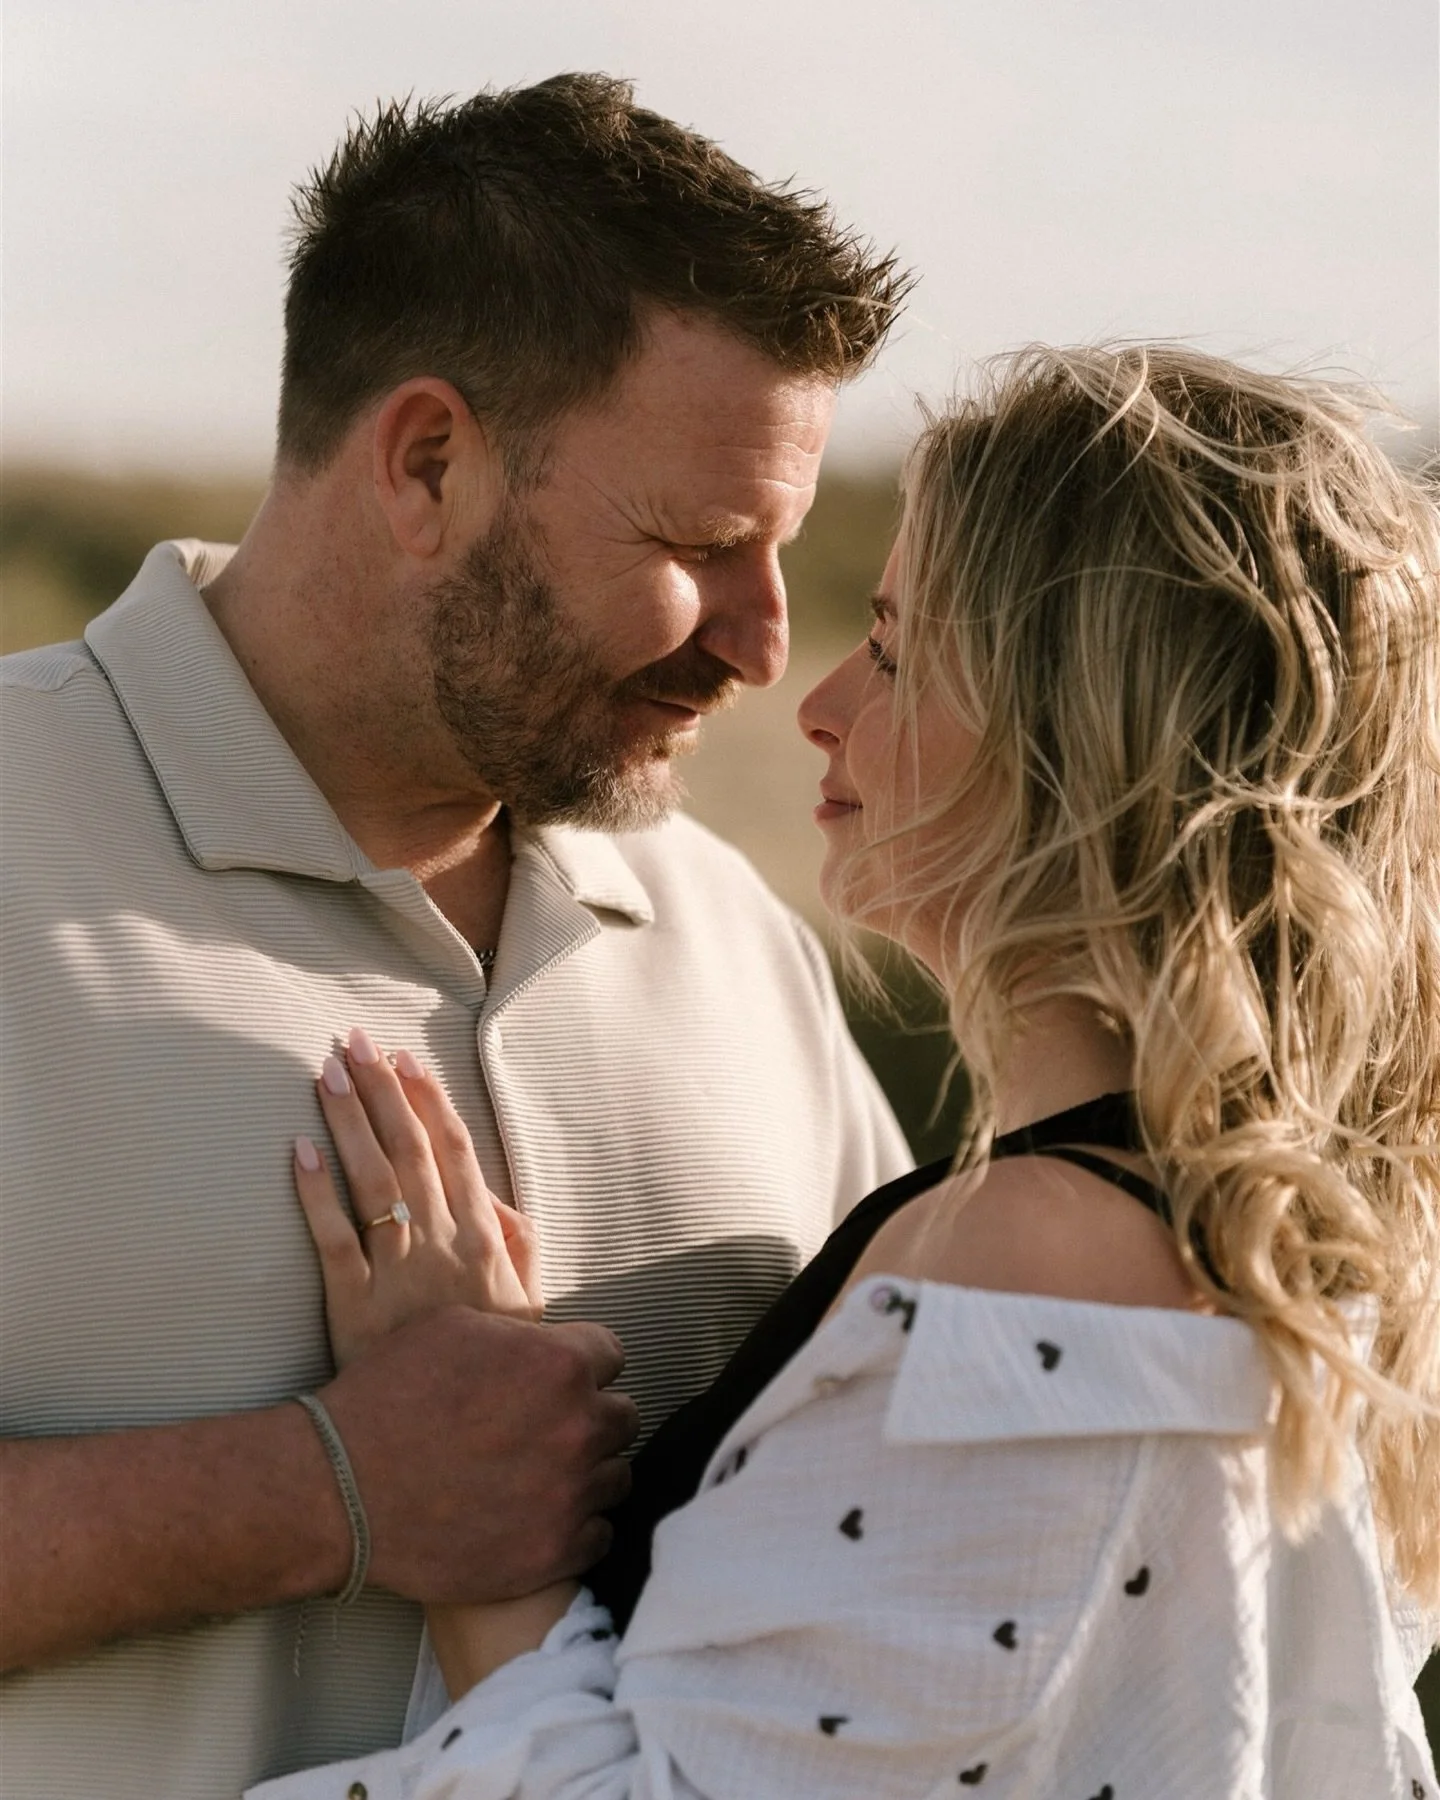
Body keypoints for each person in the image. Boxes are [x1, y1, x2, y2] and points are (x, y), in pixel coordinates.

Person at [250, 345, 1437, 1799]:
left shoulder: (1038, 1264)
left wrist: (472, 1510)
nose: (818, 703)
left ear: (1077, 720)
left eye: (896, 639)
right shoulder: (1306, 1237)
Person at [0, 76, 914, 1798]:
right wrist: (323, 1492)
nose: (761, 642)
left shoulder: (738, 937)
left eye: (788, 553)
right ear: (426, 462)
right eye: (705, 545)